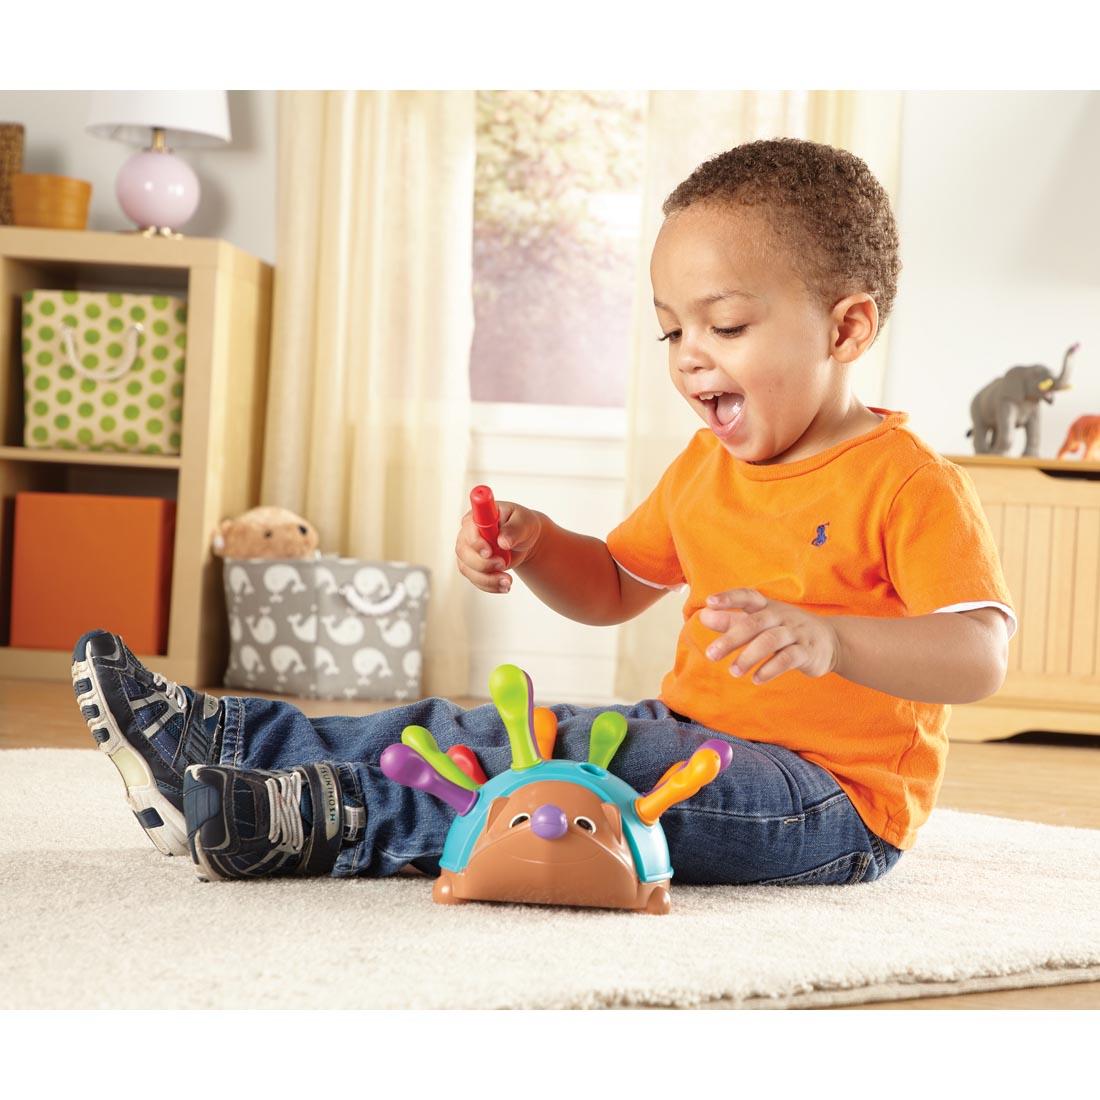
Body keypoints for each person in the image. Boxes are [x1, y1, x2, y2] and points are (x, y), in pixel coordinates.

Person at [73, 137, 1015, 887]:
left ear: (846, 329)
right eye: (672, 329)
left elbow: (980, 652)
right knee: (489, 729)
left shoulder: (906, 482)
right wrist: (535, 545)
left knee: (562, 791)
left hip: (827, 803)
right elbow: (612, 586)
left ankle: (323, 819)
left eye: (724, 326)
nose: (689, 356)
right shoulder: (705, 465)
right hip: (696, 739)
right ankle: (231, 744)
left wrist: (836, 643)